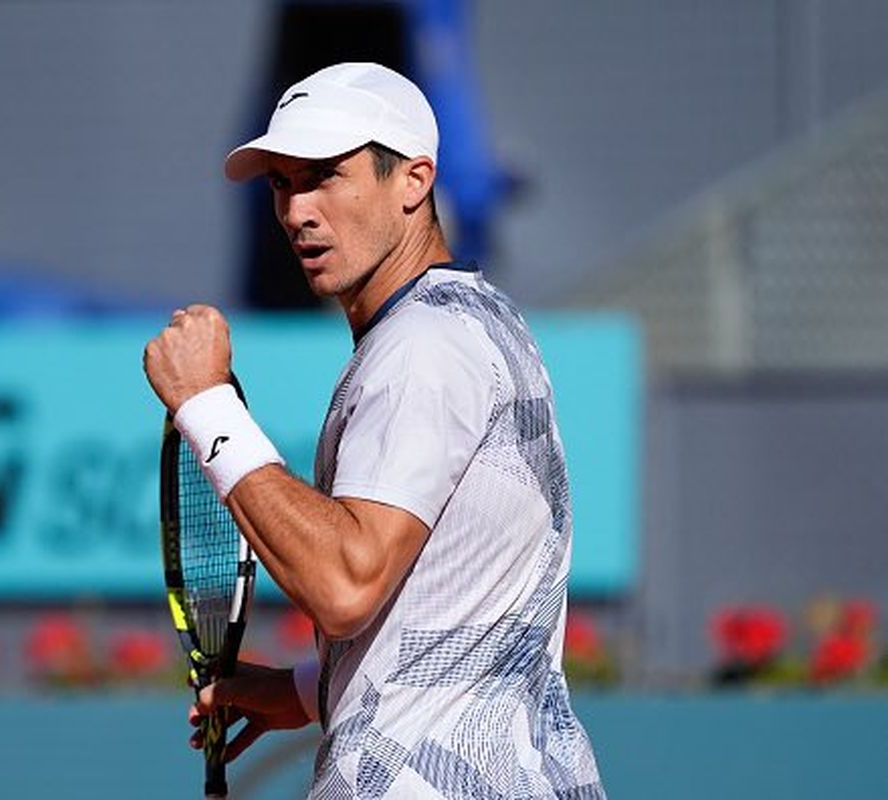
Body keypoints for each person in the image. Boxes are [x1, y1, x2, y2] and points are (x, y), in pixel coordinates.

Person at [143, 62, 605, 799]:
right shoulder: (474, 323)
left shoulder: (422, 347)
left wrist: (206, 406)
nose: (298, 210)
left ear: (414, 181)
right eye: (283, 184)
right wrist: (308, 690)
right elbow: (462, 604)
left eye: (326, 175)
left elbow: (345, 581)